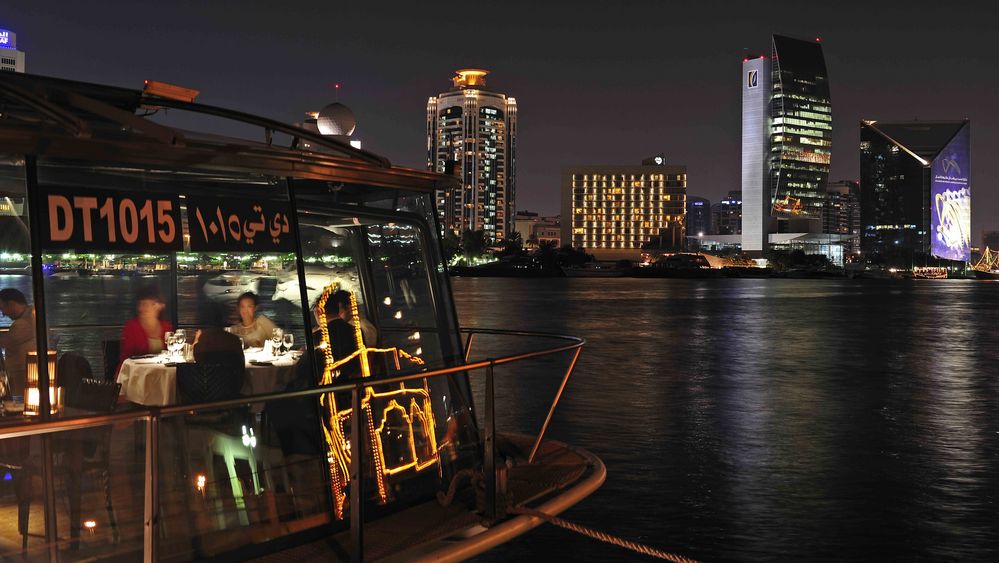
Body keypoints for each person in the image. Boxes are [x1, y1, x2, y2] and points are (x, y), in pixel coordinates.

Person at [118, 285, 173, 373]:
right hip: (136, 375)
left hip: (162, 374)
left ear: (158, 306)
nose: (141, 308)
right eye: (140, 304)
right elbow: (126, 359)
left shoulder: (166, 327)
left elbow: (172, 353)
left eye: (145, 304)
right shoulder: (132, 327)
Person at [0, 288, 36, 397]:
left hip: (22, 381)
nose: (3, 314)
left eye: (2, 309)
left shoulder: (23, 323)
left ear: (10, 304)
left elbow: (5, 341)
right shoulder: (33, 314)